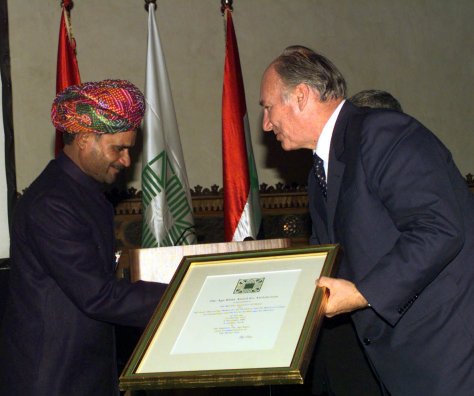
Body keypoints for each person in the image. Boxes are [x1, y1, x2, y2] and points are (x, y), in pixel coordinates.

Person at [260, 46, 474, 395]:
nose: (266, 124)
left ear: (300, 96)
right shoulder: (320, 172)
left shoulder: (383, 133)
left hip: (448, 351)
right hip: (401, 360)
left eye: (268, 108)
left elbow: (440, 228)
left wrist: (362, 293)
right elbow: (327, 260)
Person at [0, 79, 167, 396]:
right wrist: (182, 295)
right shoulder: (52, 204)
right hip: (53, 380)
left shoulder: (78, 194)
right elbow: (99, 296)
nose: (126, 161)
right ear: (85, 139)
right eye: (118, 148)